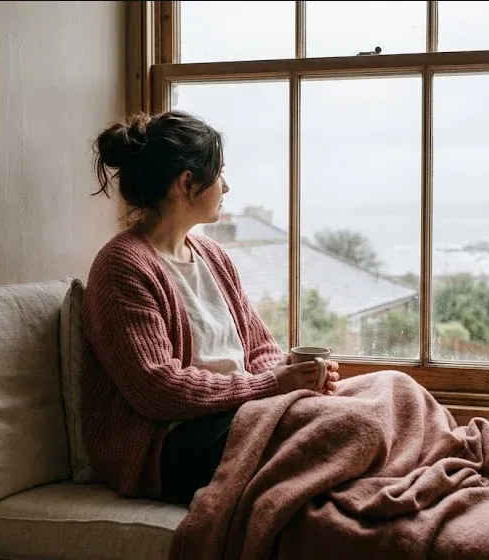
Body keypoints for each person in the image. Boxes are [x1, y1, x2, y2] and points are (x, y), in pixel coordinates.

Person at [80, 110, 341, 505]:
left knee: (394, 389)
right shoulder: (122, 267)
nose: (226, 186)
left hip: (241, 413)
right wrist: (272, 386)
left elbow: (259, 348)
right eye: (219, 173)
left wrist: (296, 378)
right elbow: (157, 390)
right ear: (187, 183)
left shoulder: (211, 255)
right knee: (350, 424)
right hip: (173, 443)